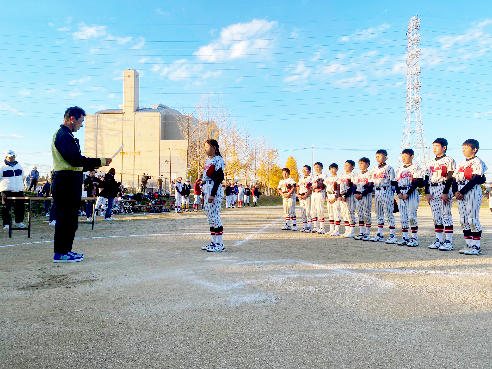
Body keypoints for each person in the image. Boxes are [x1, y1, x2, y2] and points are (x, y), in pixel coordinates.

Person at [51, 106, 111, 263]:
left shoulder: (67, 135)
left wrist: (96, 163)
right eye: (80, 121)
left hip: (71, 179)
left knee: (71, 218)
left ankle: (66, 251)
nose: (81, 125)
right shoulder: (63, 135)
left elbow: (78, 161)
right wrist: (100, 161)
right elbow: (75, 160)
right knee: (65, 218)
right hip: (65, 180)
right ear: (72, 119)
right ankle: (61, 253)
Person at [453, 139, 487, 255]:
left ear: (474, 149)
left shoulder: (477, 161)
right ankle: (468, 244)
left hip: (472, 191)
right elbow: (453, 179)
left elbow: (477, 178)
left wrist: (461, 192)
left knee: (472, 219)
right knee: (463, 220)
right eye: (463, 147)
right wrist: (455, 192)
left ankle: (476, 246)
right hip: (460, 191)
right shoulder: (461, 163)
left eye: (466, 148)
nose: (463, 150)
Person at [424, 138, 456, 251]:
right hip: (432, 188)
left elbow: (450, 176)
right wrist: (427, 192)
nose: (434, 148)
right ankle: (439, 240)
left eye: (437, 146)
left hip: (443, 187)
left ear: (444, 147)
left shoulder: (449, 160)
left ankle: (448, 241)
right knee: (436, 216)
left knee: (446, 215)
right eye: (433, 146)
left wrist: (446, 192)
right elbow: (426, 178)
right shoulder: (429, 163)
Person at [394, 149, 423, 247]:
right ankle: (405, 238)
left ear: (412, 156)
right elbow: (396, 182)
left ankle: (414, 238)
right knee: (403, 217)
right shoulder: (400, 169)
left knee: (411, 216)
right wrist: (398, 193)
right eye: (402, 156)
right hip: (401, 193)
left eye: (405, 156)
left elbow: (417, 182)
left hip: (411, 193)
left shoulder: (416, 167)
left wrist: (408, 193)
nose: (403, 158)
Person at [201, 139, 225, 252]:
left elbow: (219, 177)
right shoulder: (208, 161)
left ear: (214, 147)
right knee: (210, 217)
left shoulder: (218, 159)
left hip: (213, 188)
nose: (205, 148)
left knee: (215, 216)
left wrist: (212, 194)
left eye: (207, 146)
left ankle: (219, 244)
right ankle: (213, 242)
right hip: (207, 187)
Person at [370, 149, 397, 243]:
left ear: (385, 157)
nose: (377, 158)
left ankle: (392, 235)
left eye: (380, 156)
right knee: (378, 213)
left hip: (386, 190)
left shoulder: (389, 168)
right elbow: (372, 182)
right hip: (377, 191)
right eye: (376, 156)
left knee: (388, 214)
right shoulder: (374, 169)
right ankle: (380, 234)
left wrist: (393, 194)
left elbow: (393, 182)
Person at [0, 150, 26, 230]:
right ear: (6, 157)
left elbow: (22, 176)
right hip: (7, 190)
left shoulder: (19, 166)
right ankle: (6, 224)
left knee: (20, 207)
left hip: (18, 190)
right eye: (10, 157)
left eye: (13, 156)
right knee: (6, 208)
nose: (12, 158)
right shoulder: (2, 167)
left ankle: (18, 222)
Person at [354, 158, 374, 241]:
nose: (360, 165)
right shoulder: (357, 175)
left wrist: (362, 194)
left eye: (362, 163)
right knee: (360, 214)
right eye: (359, 163)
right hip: (358, 196)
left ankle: (367, 233)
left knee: (366, 213)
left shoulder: (370, 174)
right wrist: (355, 193)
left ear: (367, 164)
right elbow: (354, 186)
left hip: (366, 195)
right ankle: (361, 232)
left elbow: (370, 186)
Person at [339, 160, 357, 238]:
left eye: (347, 165)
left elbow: (353, 186)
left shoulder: (353, 175)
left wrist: (346, 195)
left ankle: (352, 231)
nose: (345, 166)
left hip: (350, 196)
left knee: (350, 212)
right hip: (342, 196)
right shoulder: (342, 176)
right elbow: (338, 187)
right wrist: (339, 195)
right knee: (344, 213)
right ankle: (347, 230)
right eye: (345, 165)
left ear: (352, 166)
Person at [310, 162, 328, 234]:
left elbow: (325, 185)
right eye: (315, 167)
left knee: (320, 210)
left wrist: (320, 188)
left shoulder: (324, 175)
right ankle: (315, 227)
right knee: (313, 210)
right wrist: (313, 188)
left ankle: (322, 228)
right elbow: (310, 185)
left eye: (318, 167)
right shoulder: (313, 176)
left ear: (321, 168)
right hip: (314, 193)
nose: (316, 169)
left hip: (320, 193)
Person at [326, 163, 342, 237]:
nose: (332, 170)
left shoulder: (338, 178)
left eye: (334, 168)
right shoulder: (327, 179)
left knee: (336, 213)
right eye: (331, 168)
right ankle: (331, 229)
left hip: (335, 195)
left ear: (337, 169)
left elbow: (339, 188)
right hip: (329, 195)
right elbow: (326, 188)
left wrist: (335, 197)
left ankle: (337, 229)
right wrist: (326, 197)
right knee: (330, 213)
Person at [297, 165, 313, 232]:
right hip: (301, 195)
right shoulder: (301, 179)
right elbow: (298, 187)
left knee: (308, 211)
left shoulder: (311, 178)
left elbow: (311, 188)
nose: (304, 171)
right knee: (303, 212)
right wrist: (298, 194)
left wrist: (306, 195)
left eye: (305, 169)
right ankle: (304, 226)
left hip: (307, 196)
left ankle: (309, 226)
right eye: (303, 169)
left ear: (309, 171)